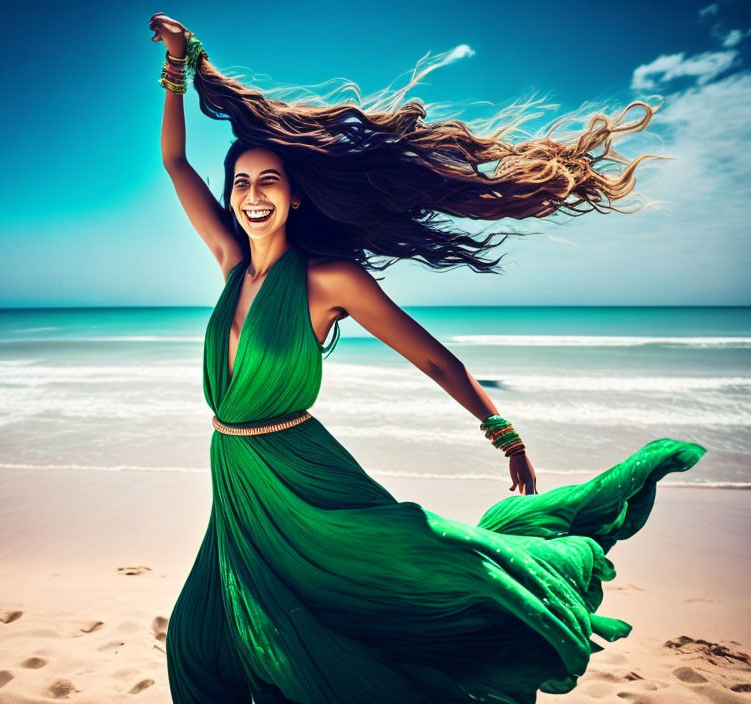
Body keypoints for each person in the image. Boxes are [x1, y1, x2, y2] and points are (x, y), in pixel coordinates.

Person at [150, 13, 707, 704]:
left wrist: (500, 429)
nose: (253, 195)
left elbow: (435, 360)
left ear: (294, 195)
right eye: (241, 183)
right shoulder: (232, 264)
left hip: (305, 476)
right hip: (235, 476)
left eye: (269, 181)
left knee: (407, 577)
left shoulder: (329, 281)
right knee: (201, 641)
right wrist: (181, 70)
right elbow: (175, 162)